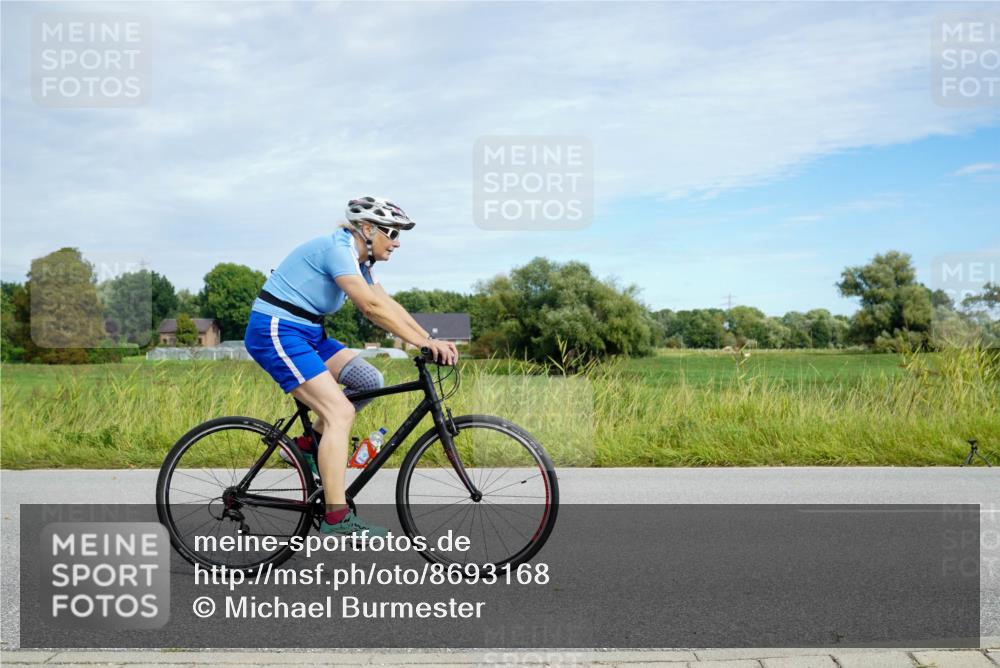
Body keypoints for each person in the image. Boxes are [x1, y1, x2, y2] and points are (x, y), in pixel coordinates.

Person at [243, 196, 458, 537]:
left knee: (369, 380)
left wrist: (429, 339)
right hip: (276, 330)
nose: (397, 242)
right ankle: (336, 516)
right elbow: (371, 308)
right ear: (367, 229)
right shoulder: (338, 250)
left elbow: (386, 303)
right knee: (340, 413)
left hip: (308, 332)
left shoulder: (362, 263)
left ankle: (308, 446)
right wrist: (422, 344)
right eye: (392, 232)